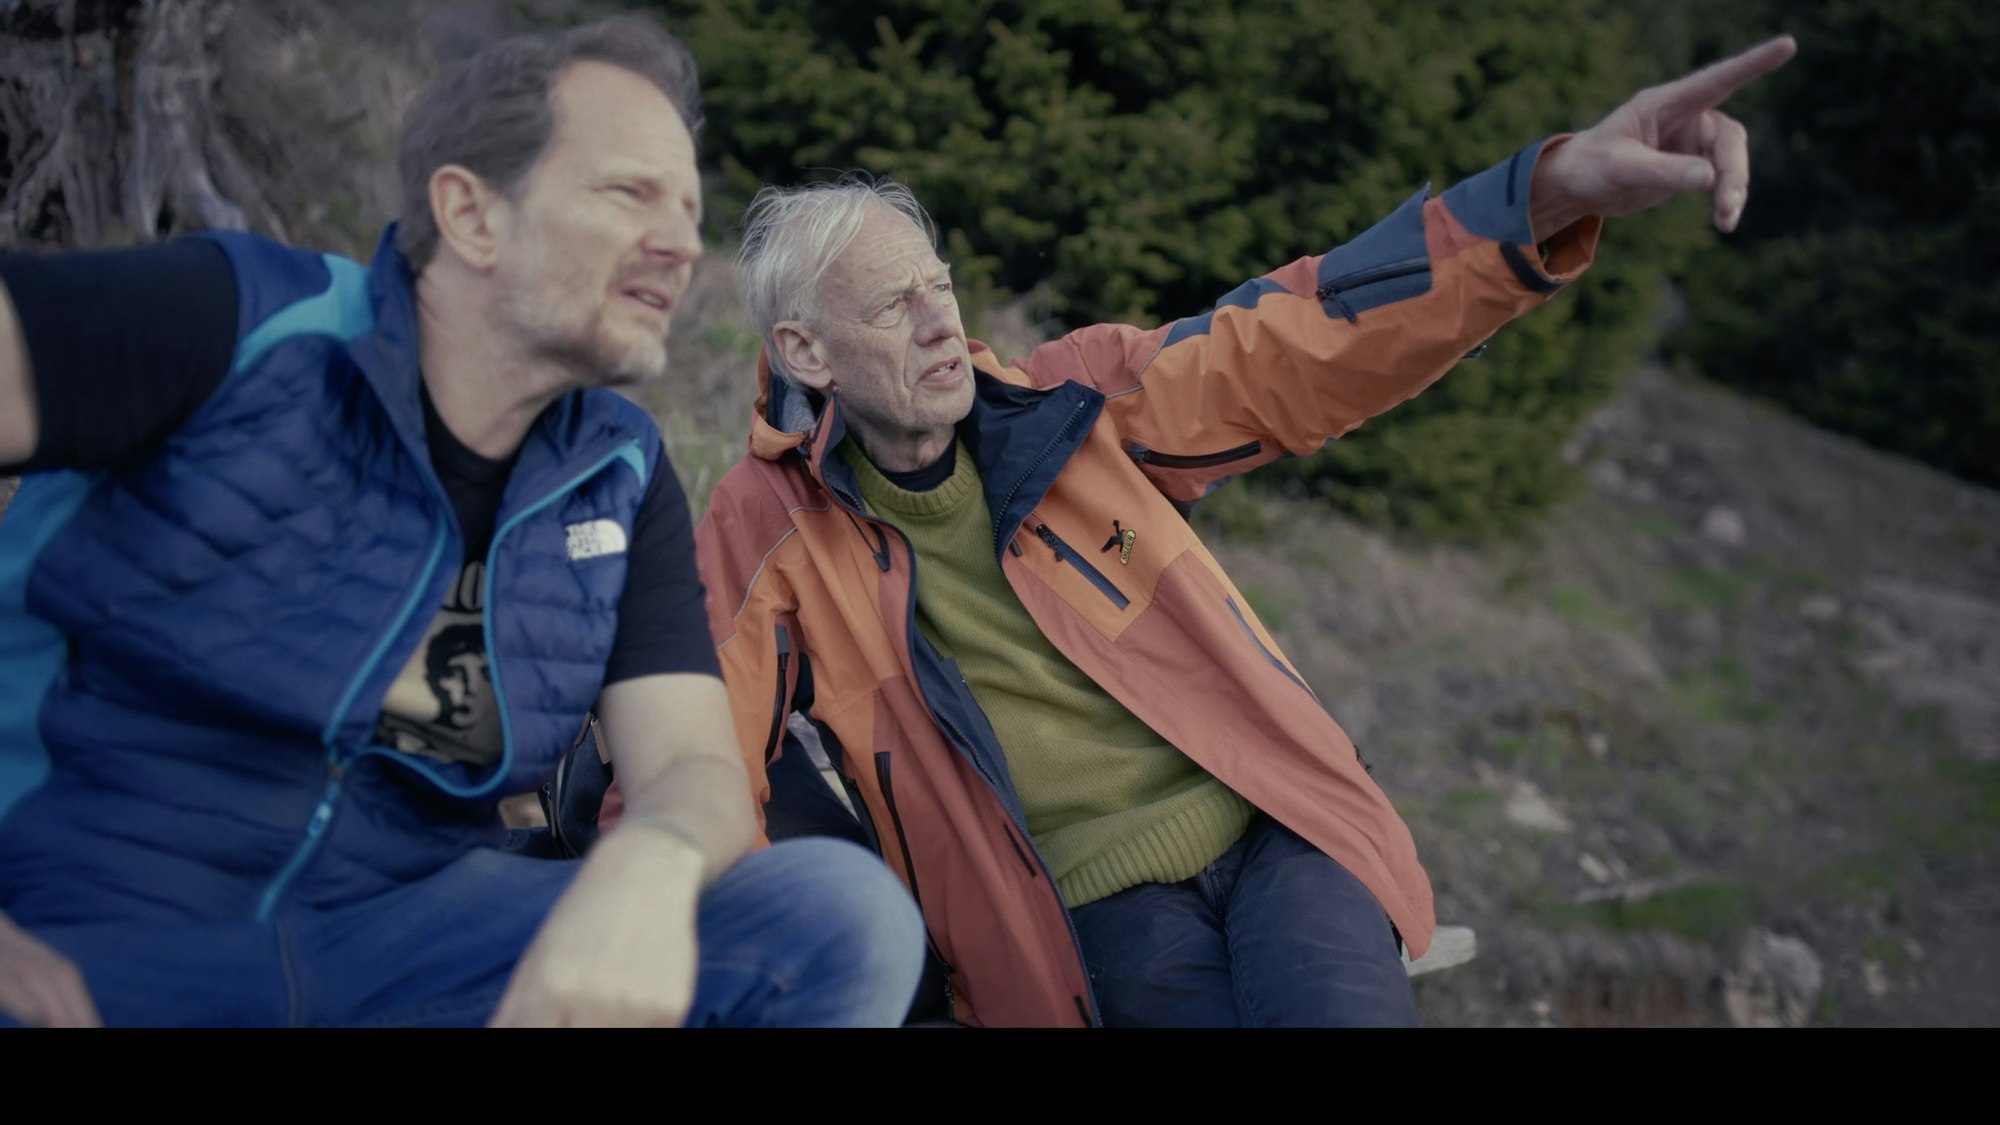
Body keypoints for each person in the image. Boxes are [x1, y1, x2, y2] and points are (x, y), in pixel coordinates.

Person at [695, 36, 1798, 1027]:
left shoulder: (1065, 405)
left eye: (938, 284)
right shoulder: (762, 530)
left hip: (1275, 827)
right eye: (893, 305)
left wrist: (1544, 194)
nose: (942, 318)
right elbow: (691, 761)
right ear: (807, 353)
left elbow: (1299, 339)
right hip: (1083, 918)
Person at [0, 17, 923, 1029]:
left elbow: (690, 766)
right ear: (472, 216)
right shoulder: (245, 321)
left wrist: (650, 866)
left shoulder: (615, 474)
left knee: (836, 921)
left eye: (689, 209)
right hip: (97, 915)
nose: (678, 245)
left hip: (406, 942)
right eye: (628, 193)